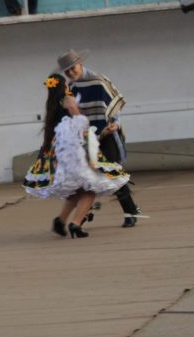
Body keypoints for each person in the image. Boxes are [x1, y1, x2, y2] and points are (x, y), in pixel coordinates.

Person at [23, 72, 130, 238]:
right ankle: (76, 224)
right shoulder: (68, 99)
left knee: (78, 190)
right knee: (91, 188)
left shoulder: (52, 104)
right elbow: (80, 120)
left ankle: (60, 220)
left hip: (61, 153)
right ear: (64, 85)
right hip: (75, 151)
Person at [58, 49, 142, 227]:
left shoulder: (98, 80)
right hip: (86, 138)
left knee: (112, 172)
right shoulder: (70, 88)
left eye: (73, 68)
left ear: (80, 64)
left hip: (107, 134)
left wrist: (115, 124)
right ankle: (84, 214)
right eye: (67, 71)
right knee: (87, 177)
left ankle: (130, 212)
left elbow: (113, 107)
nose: (71, 73)